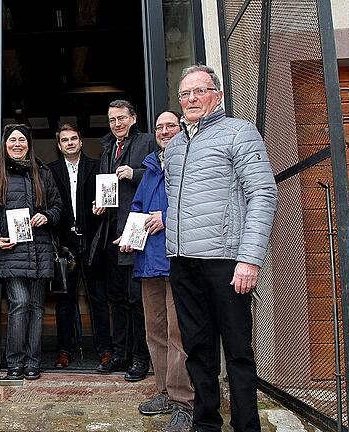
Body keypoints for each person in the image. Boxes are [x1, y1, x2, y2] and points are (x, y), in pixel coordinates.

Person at [165, 65, 277, 432]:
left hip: (226, 261)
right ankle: (207, 423)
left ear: (218, 95)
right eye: (185, 94)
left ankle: (246, 426)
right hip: (182, 262)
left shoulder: (240, 132)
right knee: (197, 350)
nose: (192, 99)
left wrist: (249, 258)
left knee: (238, 352)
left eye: (200, 91)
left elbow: (263, 193)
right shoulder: (177, 144)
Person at [124, 111, 194, 432]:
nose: (164, 131)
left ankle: (184, 403)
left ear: (180, 128)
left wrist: (165, 218)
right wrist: (128, 236)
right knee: (155, 329)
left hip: (179, 257)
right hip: (149, 260)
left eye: (170, 126)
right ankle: (164, 391)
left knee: (179, 331)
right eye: (159, 127)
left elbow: (195, 203)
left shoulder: (192, 159)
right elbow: (137, 208)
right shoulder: (152, 166)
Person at [0, 124, 62, 380]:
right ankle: (14, 362)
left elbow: (58, 206)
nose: (17, 144)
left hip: (39, 250)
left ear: (29, 144)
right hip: (10, 250)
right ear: (5, 145)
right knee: (20, 303)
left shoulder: (43, 172)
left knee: (37, 306)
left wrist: (46, 216)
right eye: (12, 140)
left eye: (22, 140)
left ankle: (33, 362)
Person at [90, 100, 156, 381]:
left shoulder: (148, 142)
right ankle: (119, 354)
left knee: (136, 300)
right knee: (115, 299)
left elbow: (160, 176)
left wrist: (134, 173)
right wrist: (100, 204)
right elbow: (109, 188)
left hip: (135, 231)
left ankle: (140, 358)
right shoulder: (107, 150)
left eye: (121, 118)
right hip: (111, 233)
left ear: (133, 118)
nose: (116, 123)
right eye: (112, 119)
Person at [47, 123, 112, 369]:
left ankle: (105, 349)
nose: (70, 143)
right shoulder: (50, 171)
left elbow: (109, 200)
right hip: (65, 245)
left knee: (98, 298)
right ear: (59, 145)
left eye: (74, 138)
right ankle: (64, 350)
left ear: (81, 142)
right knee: (65, 300)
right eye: (65, 140)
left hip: (93, 241)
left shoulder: (97, 167)